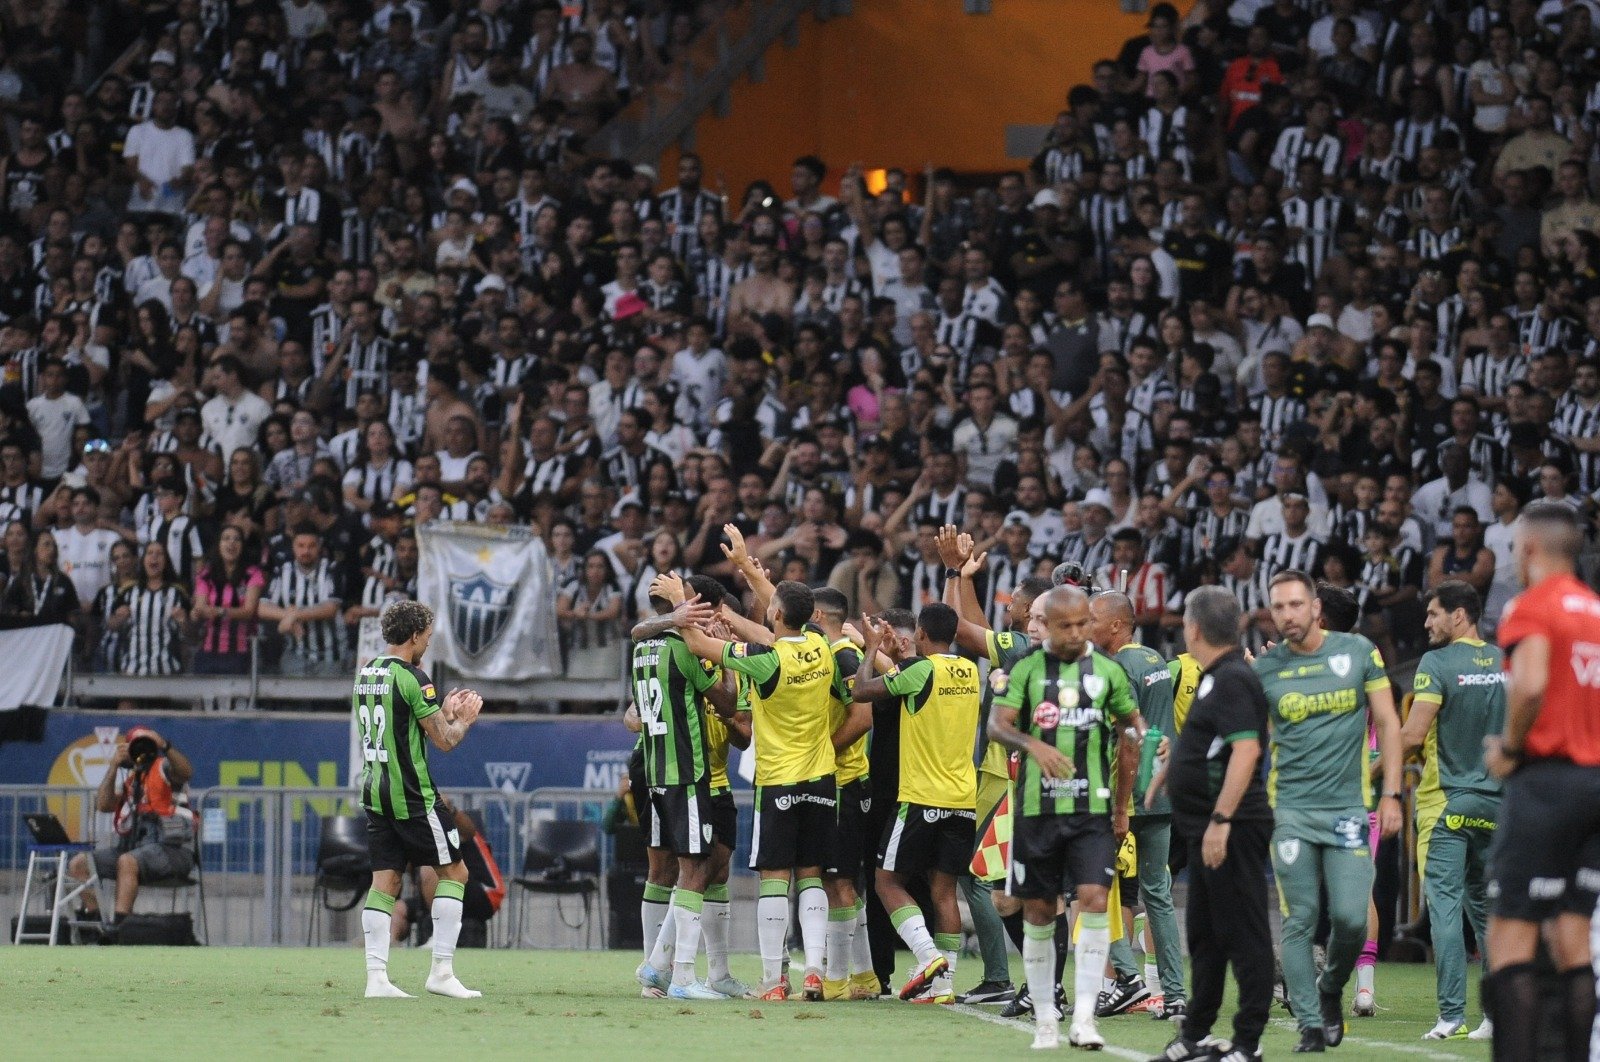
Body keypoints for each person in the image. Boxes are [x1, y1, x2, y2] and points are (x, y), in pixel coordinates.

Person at [677, 533, 838, 1003]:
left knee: (774, 877)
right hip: (822, 778)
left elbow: (699, 645)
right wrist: (747, 566)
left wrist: (684, 610)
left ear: (776, 615)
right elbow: (781, 616)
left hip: (779, 780)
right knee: (811, 876)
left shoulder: (766, 662)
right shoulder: (821, 646)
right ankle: (814, 973)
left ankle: (772, 981)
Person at [1252, 569, 1402, 1052]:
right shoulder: (1267, 669)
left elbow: (1388, 723)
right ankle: (1310, 1024)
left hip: (1348, 811)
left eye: (1296, 605)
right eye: (1278, 607)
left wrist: (1393, 793)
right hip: (1291, 810)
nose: (1287, 615)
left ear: (1315, 608)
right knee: (1299, 919)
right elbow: (1241, 739)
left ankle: (1332, 987)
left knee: (1351, 918)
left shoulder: (1360, 654)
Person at [990, 584, 1142, 1050]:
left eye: (1083, 623)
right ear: (1047, 626)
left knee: (1094, 899)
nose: (1076, 633)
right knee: (1037, 910)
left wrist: (1122, 805)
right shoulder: (1027, 669)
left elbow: (1130, 730)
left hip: (1092, 810)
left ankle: (1086, 1017)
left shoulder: (1109, 672)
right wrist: (1032, 743)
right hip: (1036, 810)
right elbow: (998, 725)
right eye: (1066, 626)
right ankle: (1045, 1020)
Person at [1481, 503, 1600, 1062]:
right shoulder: (1597, 612)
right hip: (1595, 783)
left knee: (1511, 940)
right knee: (1573, 941)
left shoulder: (1532, 606)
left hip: (1546, 784)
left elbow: (1527, 686)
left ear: (1527, 549)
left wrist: (1508, 749)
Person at [1152, 586, 1273, 1062]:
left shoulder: (1232, 679)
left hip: (1233, 825)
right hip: (1205, 826)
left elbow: (1246, 749)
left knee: (1244, 933)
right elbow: (1217, 743)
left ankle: (1248, 1042)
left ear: (1194, 628)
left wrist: (1222, 819)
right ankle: (1196, 1033)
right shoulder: (1214, 678)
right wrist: (1173, 767)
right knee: (1204, 933)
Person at [850, 602, 978, 1006]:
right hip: (963, 799)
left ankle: (927, 958)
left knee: (886, 882)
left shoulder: (918, 670)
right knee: (944, 892)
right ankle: (944, 986)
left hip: (922, 797)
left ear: (921, 634)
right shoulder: (971, 671)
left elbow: (861, 691)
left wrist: (871, 647)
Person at [356, 599, 485, 1000]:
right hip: (413, 797)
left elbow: (404, 722)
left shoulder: (367, 672)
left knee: (385, 881)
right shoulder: (415, 677)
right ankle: (441, 972)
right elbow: (444, 741)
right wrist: (461, 720)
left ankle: (376, 978)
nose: (428, 642)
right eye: (427, 635)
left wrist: (440, 711)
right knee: (456, 874)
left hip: (376, 793)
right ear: (414, 635)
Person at [1401, 580, 1503, 1042]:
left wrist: (1368, 769)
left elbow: (1412, 734)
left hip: (1453, 803)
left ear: (1459, 616)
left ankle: (1449, 1016)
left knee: (1442, 906)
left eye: (1433, 614)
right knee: (1486, 911)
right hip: (1500, 805)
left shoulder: (1436, 662)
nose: (1426, 624)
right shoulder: (1507, 660)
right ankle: (1497, 1015)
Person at [625, 571, 731, 1001]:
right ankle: (682, 976)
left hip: (653, 771)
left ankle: (656, 966)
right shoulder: (683, 650)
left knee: (677, 868)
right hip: (685, 772)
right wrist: (724, 659)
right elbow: (724, 702)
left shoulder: (642, 647)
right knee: (694, 870)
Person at [1089, 590, 1185, 1020]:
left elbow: (1127, 739)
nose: (1086, 625)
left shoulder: (1116, 667)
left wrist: (1120, 806)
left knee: (1092, 888)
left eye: (1093, 618)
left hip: (1124, 794)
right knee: (1158, 895)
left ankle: (1127, 978)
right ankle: (1175, 992)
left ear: (1115, 625)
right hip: (1161, 792)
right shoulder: (1155, 661)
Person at [65, 725, 194, 932]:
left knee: (127, 861)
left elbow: (186, 772)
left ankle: (120, 929)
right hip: (136, 849)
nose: (143, 751)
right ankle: (96, 924)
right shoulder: (131, 780)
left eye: (146, 744)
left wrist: (165, 745)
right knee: (79, 864)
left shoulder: (165, 768)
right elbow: (104, 805)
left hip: (173, 850)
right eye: (137, 745)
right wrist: (114, 766)